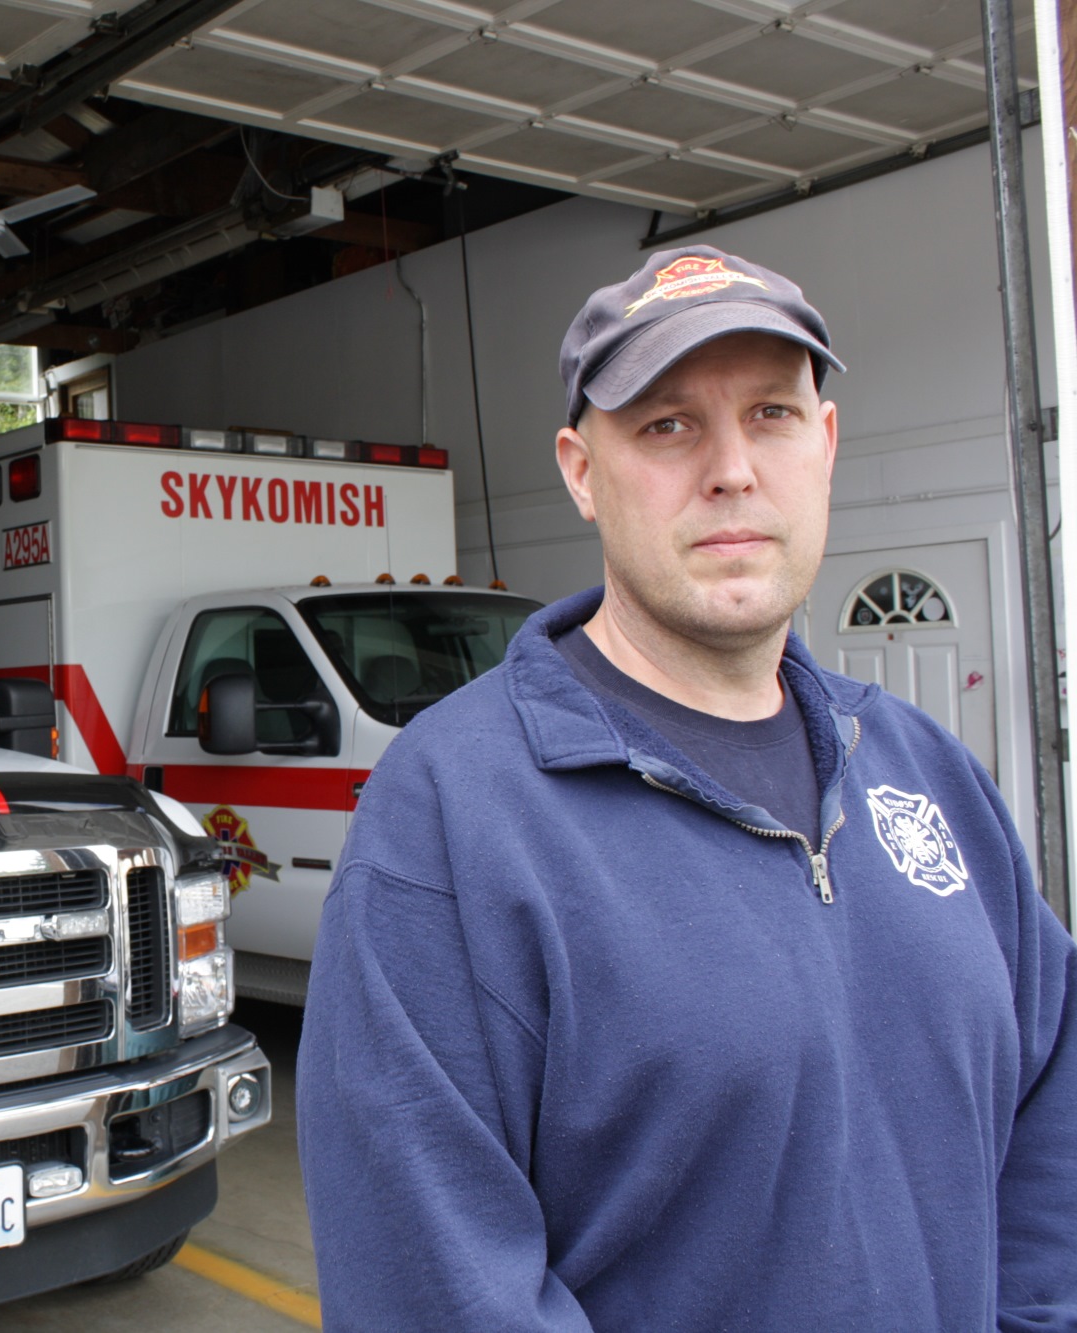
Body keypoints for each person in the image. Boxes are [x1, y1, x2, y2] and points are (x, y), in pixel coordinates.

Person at [296, 245, 1077, 1331]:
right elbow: (433, 1284)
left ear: (825, 444)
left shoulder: (923, 769)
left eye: (769, 414)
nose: (730, 469)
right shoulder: (451, 818)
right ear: (579, 468)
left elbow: (1053, 1099)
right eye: (666, 424)